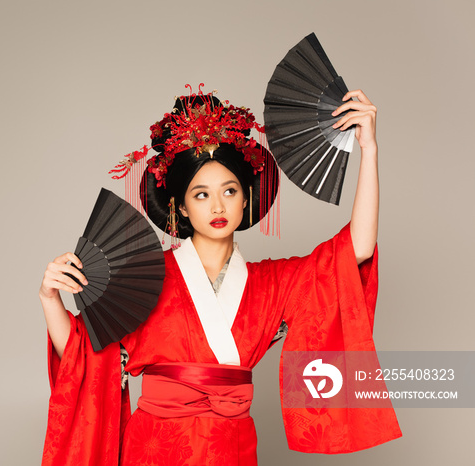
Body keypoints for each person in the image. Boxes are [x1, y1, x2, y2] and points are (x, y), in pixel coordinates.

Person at [39, 88, 401, 465]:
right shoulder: (145, 277)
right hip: (155, 448)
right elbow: (84, 356)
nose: (217, 206)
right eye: (200, 195)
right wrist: (50, 299)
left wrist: (369, 150)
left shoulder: (273, 283)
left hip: (232, 447)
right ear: (179, 206)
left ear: (245, 198)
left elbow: (355, 250)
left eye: (229, 191)